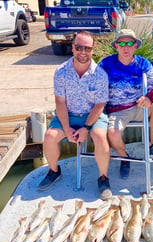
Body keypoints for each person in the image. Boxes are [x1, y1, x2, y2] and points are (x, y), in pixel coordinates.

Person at [38, 31, 112, 200]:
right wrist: (66, 128)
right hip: (68, 114)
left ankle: (103, 177)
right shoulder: (61, 72)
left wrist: (86, 128)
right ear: (72, 48)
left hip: (92, 115)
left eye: (87, 48)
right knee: (49, 136)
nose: (83, 52)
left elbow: (100, 105)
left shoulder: (100, 74)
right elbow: (60, 102)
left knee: (100, 137)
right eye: (79, 47)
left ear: (93, 49)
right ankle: (54, 171)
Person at [99, 29, 153, 179]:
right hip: (118, 111)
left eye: (130, 43)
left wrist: (149, 98)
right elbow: (94, 85)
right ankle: (125, 158)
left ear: (135, 46)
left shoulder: (143, 63)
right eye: (122, 43)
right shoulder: (106, 64)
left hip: (140, 105)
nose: (126, 47)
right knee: (112, 134)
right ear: (116, 46)